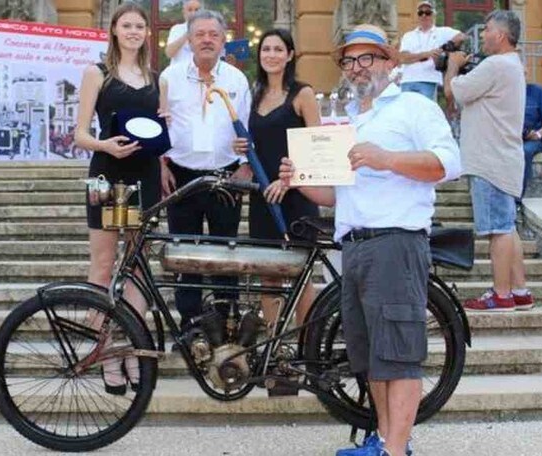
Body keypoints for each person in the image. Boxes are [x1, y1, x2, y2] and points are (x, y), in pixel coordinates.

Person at [279, 24, 461, 456]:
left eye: (367, 58)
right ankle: (383, 440)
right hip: (355, 246)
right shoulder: (350, 120)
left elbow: (449, 163)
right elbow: (337, 195)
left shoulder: (414, 107)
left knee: (399, 354)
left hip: (396, 242)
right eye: (349, 61)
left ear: (390, 62)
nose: (357, 68)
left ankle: (396, 450)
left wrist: (387, 158)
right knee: (371, 357)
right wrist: (300, 180)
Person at [73, 1, 163, 394]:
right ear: (114, 30)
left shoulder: (155, 78)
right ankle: (106, 352)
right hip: (106, 176)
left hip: (145, 176)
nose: (133, 32)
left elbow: (159, 131)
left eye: (139, 26)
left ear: (147, 32)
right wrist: (106, 145)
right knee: (103, 266)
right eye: (126, 25)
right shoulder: (97, 73)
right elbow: (80, 135)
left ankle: (132, 349)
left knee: (139, 267)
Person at [159, 9, 253, 327]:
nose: (207, 40)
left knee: (226, 252)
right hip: (182, 174)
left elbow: (247, 126)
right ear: (189, 40)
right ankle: (190, 325)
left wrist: (245, 166)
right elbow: (159, 124)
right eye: (200, 34)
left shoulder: (237, 79)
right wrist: (161, 163)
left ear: (224, 40)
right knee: (186, 254)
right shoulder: (170, 77)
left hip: (226, 175)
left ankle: (226, 323)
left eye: (214, 34)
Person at [443, 10, 534, 312]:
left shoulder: (496, 65)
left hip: (489, 161)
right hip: (503, 158)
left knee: (498, 230)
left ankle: (501, 294)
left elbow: (454, 91)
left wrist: (453, 66)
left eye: (487, 29)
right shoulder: (512, 65)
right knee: (507, 226)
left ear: (502, 35)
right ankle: (519, 291)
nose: (482, 35)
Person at [231, 28, 320, 330]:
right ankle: (274, 345)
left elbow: (317, 145)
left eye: (278, 49)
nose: (271, 55)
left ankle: (306, 345)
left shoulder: (302, 94)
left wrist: (287, 181)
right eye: (266, 49)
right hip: (263, 195)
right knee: (268, 275)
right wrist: (242, 149)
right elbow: (256, 144)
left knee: (301, 275)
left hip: (296, 194)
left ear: (290, 55)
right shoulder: (255, 95)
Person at [398, 1, 465, 101]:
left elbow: (461, 36)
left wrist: (446, 47)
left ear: (433, 15)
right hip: (408, 79)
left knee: (426, 109)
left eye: (427, 13)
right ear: (417, 16)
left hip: (429, 79)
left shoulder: (442, 32)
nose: (424, 15)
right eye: (420, 13)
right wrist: (428, 54)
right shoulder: (408, 35)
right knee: (407, 109)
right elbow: (403, 58)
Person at [521, 65, 542, 196]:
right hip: (511, 136)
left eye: (524, 74)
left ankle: (517, 197)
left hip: (533, 139)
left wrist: (538, 134)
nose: (522, 77)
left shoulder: (537, 92)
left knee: (525, 151)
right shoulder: (506, 93)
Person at [165, 0, 202, 68]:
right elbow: (169, 54)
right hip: (178, 72)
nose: (193, 13)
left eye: (197, 10)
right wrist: (187, 34)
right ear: (184, 12)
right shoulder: (177, 29)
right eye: (190, 10)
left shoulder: (208, 30)